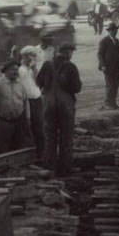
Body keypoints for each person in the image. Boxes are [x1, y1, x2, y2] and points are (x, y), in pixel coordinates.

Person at [37, 41, 82, 176]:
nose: (72, 55)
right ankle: (65, 169)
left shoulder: (46, 65)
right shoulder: (71, 67)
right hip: (65, 107)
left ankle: (50, 167)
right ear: (67, 52)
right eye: (71, 52)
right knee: (66, 136)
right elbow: (77, 88)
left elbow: (38, 82)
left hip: (49, 106)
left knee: (50, 136)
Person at [0, 60, 32, 152]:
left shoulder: (20, 84)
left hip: (18, 121)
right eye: (12, 70)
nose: (15, 72)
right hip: (3, 122)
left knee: (18, 147)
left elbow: (25, 102)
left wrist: (28, 118)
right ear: (6, 71)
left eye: (16, 70)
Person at [18, 46, 46, 159]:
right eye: (31, 55)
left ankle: (41, 150)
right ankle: (35, 150)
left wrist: (34, 69)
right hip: (28, 100)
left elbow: (39, 82)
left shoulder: (31, 69)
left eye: (34, 55)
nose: (33, 58)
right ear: (25, 56)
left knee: (39, 125)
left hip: (37, 98)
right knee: (31, 125)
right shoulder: (21, 70)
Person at [97, 21, 119, 109]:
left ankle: (113, 103)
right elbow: (100, 54)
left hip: (116, 67)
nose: (114, 32)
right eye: (112, 30)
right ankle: (107, 104)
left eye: (115, 30)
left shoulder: (116, 41)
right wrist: (103, 65)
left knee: (116, 85)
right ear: (108, 31)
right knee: (110, 85)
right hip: (108, 68)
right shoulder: (104, 41)